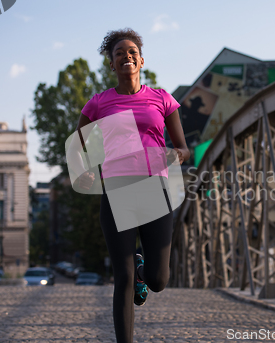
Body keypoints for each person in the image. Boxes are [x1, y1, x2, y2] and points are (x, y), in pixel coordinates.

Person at [73, 28, 189, 343]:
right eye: (119, 53)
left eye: (132, 52)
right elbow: (80, 142)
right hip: (117, 190)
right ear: (111, 64)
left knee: (159, 279)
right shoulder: (99, 103)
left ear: (141, 60)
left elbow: (183, 148)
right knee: (121, 278)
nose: (127, 56)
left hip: (155, 190)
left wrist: (173, 155)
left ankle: (144, 269)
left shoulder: (161, 98)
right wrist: (88, 168)